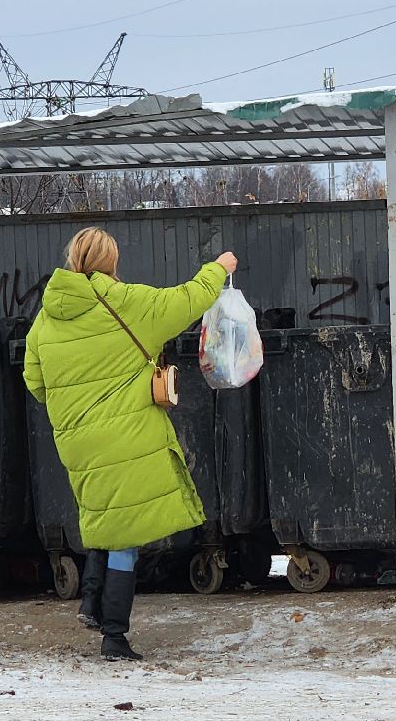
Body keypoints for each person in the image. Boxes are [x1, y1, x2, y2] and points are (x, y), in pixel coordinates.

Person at [22, 227, 236, 661]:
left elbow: (34, 380)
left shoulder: (46, 316)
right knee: (126, 536)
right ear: (110, 261)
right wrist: (219, 269)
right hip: (126, 433)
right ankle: (114, 635)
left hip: (78, 439)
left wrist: (74, 405)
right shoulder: (125, 301)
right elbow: (187, 300)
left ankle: (91, 603)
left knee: (106, 517)